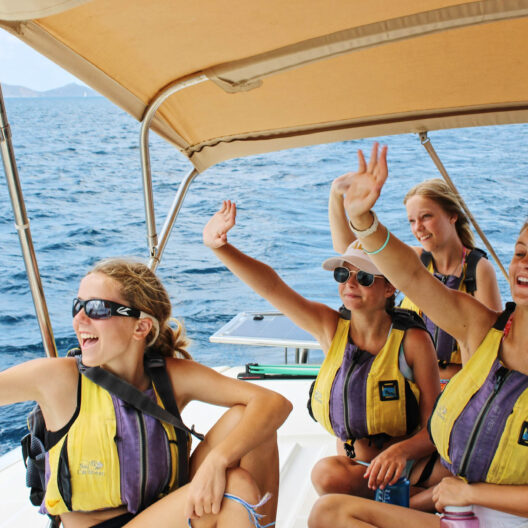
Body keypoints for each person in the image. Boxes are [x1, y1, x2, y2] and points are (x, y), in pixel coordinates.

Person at [308, 143, 528, 528]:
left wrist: (471, 493)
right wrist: (361, 217)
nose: (524, 265)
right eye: (522, 252)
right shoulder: (482, 328)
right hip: (455, 509)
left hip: (495, 513)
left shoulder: (478, 273)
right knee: (329, 511)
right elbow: (408, 274)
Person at [0, 258, 292, 528]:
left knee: (252, 423)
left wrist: (217, 461)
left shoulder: (169, 376)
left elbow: (273, 403)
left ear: (141, 327)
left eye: (97, 309)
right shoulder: (58, 378)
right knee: (236, 486)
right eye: (78, 306)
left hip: (162, 513)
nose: (80, 320)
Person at [203, 202, 441, 503]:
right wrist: (221, 248)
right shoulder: (330, 327)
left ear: (390, 288)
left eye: (365, 277)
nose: (350, 284)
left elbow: (435, 426)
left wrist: (400, 451)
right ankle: (411, 503)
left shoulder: (413, 341)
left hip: (408, 466)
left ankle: (400, 501)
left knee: (454, 471)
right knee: (326, 474)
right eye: (343, 274)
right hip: (357, 470)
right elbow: (273, 287)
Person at [329, 162, 502, 384]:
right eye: (412, 220)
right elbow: (349, 249)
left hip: (454, 387)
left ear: (452, 216)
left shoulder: (478, 269)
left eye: (426, 217)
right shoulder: (415, 261)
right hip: (404, 384)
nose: (417, 227)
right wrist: (336, 193)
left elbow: (491, 348)